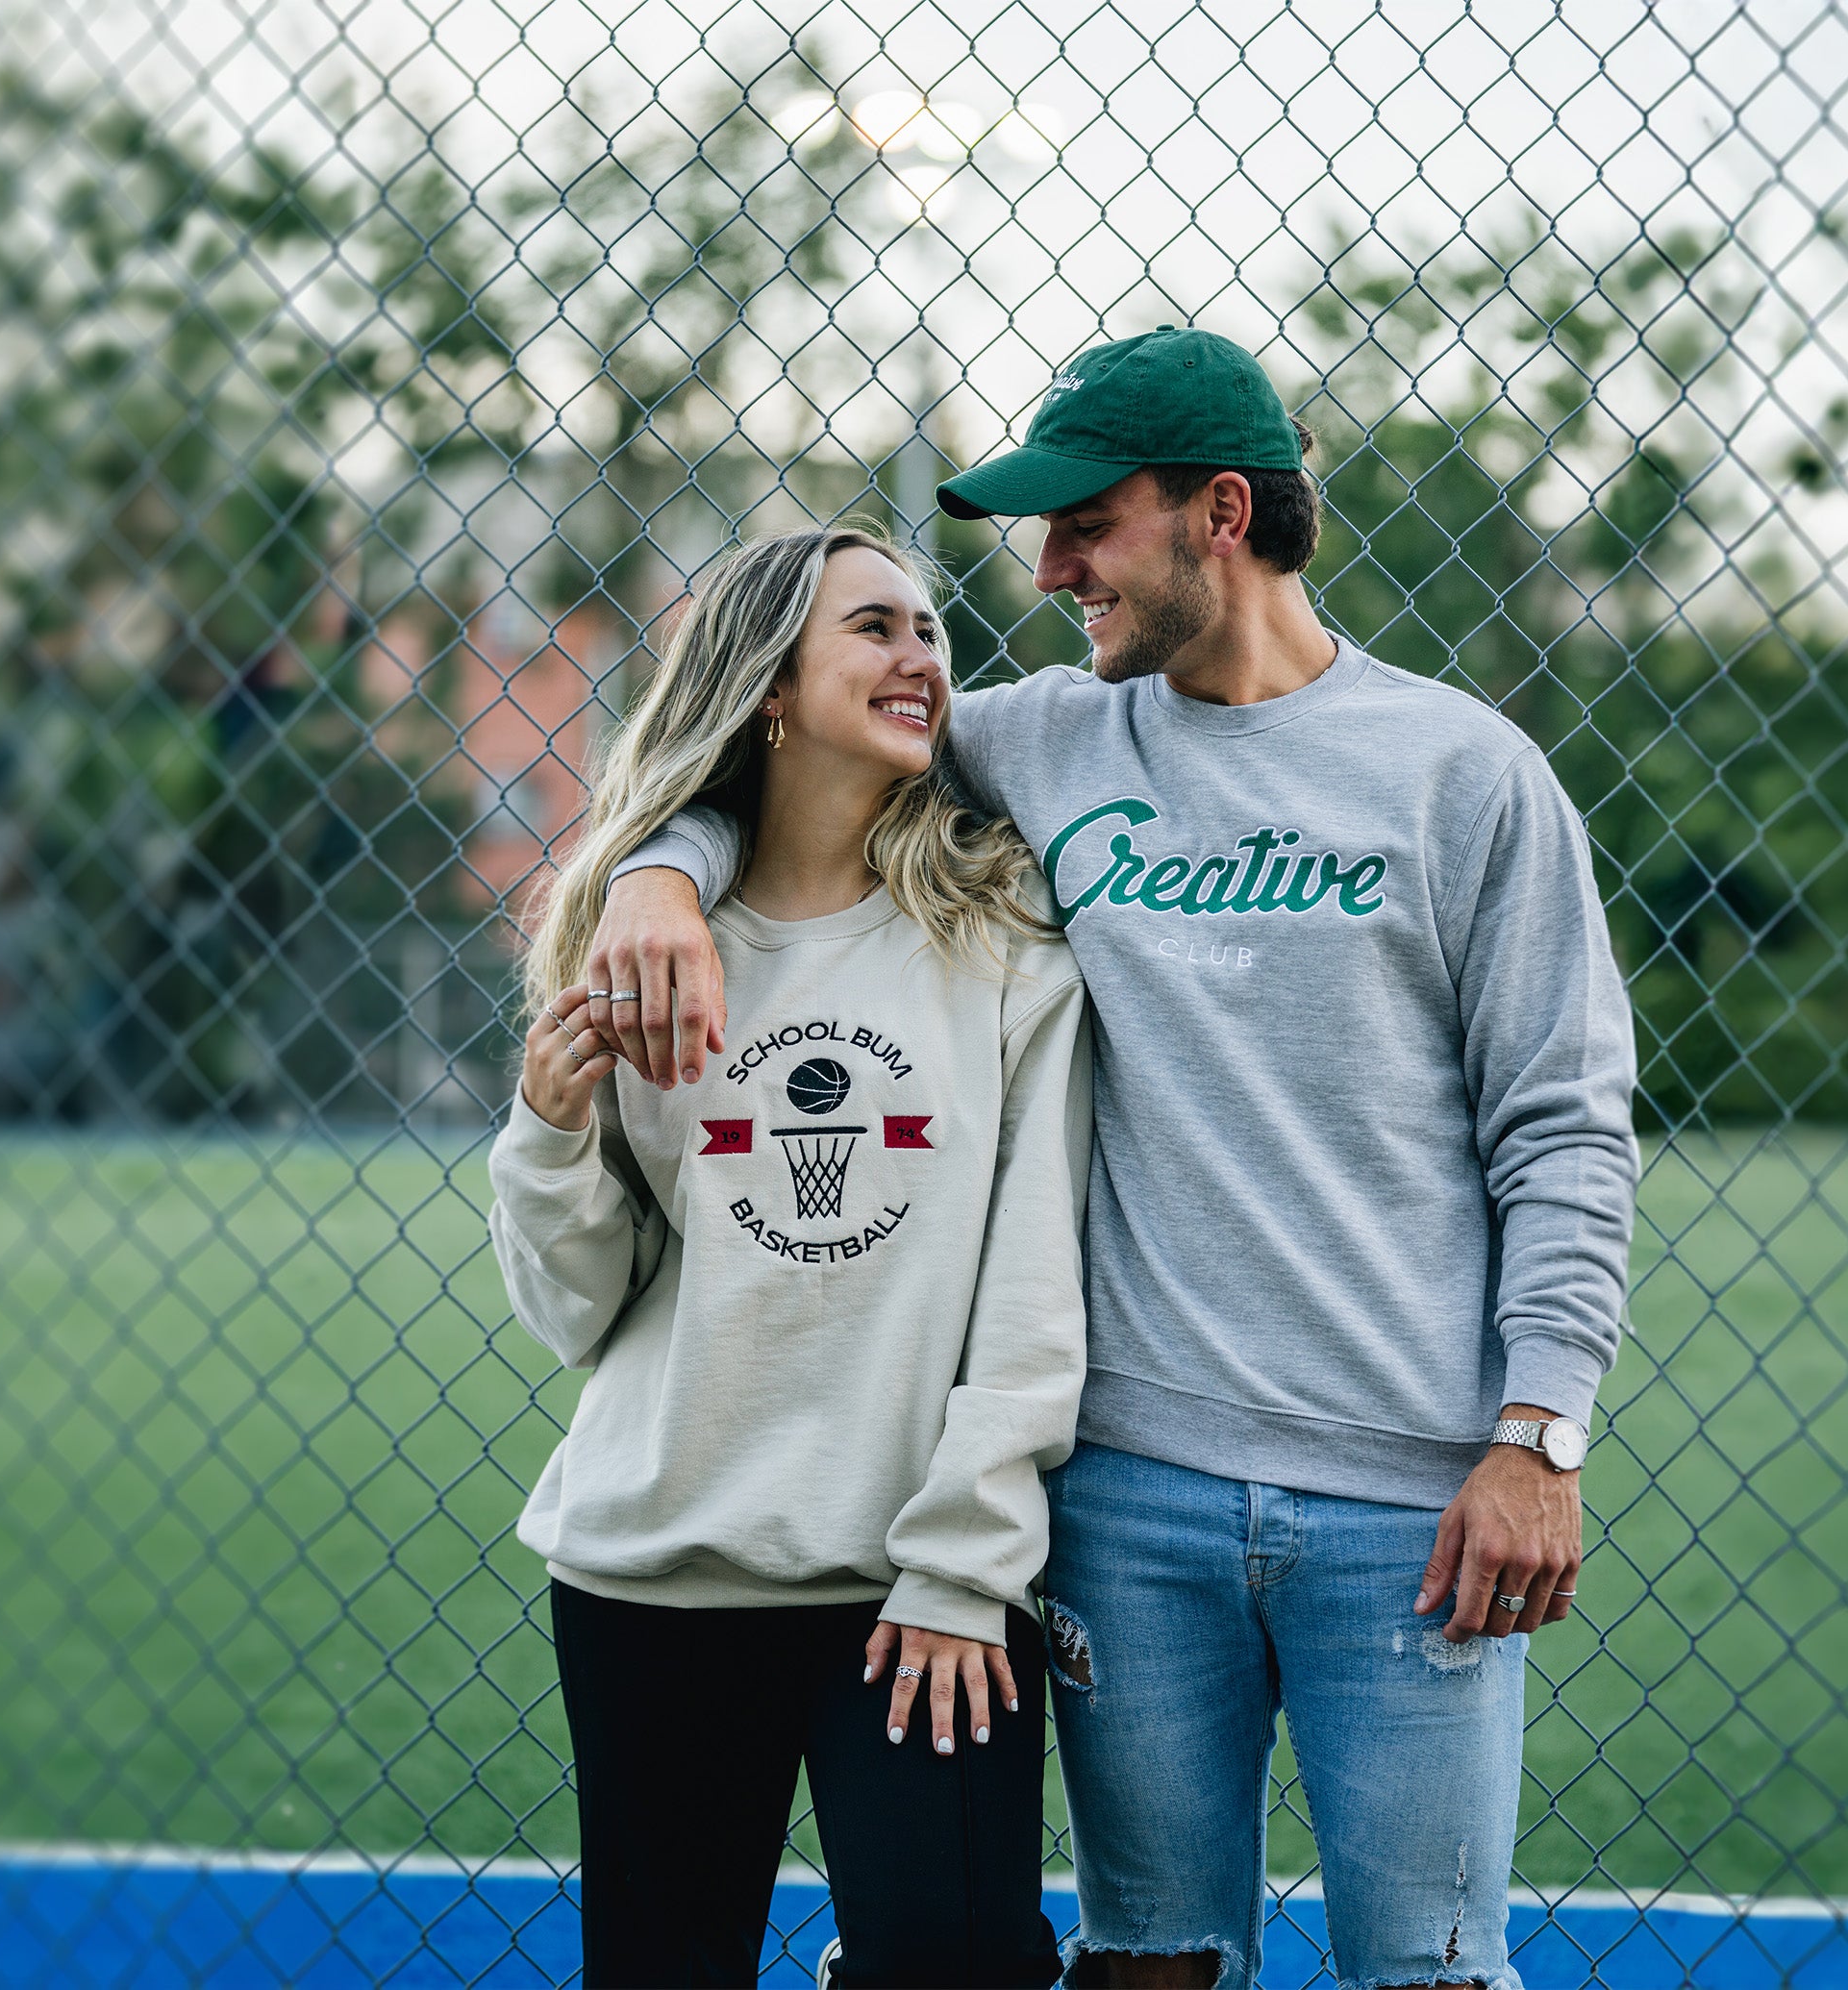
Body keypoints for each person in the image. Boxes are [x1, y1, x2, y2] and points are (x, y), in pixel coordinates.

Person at [582, 328, 1638, 1990]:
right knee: (1149, 1964)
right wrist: (656, 871)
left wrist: (1540, 1433)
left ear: (1222, 512)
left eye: (1088, 523)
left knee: (1434, 1968)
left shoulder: (1460, 773)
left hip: (1409, 1496)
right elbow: (788, 749)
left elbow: (1565, 1122)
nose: (1051, 563)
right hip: (1130, 1492)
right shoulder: (1051, 737)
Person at [491, 522, 1091, 1988]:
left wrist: (966, 1566)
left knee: (961, 1963)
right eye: (874, 627)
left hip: (909, 1586)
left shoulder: (1000, 934)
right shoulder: (648, 943)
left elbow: (1032, 1293)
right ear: (768, 681)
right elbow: (582, 1309)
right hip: (662, 1564)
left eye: (930, 629)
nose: (920, 656)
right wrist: (549, 1128)